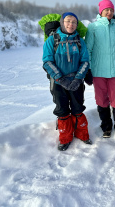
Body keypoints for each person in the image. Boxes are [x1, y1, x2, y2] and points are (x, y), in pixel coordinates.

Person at [43, 12, 91, 151]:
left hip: (76, 82)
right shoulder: (52, 40)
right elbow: (47, 62)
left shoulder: (79, 41)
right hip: (58, 84)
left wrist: (78, 78)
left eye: (74, 22)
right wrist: (60, 78)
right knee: (62, 111)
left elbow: (85, 61)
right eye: (68, 21)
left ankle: (82, 134)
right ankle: (65, 138)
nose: (71, 24)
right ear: (62, 22)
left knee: (78, 109)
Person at [85, 0, 115, 140]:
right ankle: (106, 126)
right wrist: (88, 70)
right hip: (98, 72)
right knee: (101, 100)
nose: (109, 12)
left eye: (111, 10)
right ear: (101, 11)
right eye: (106, 10)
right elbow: (88, 51)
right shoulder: (93, 27)